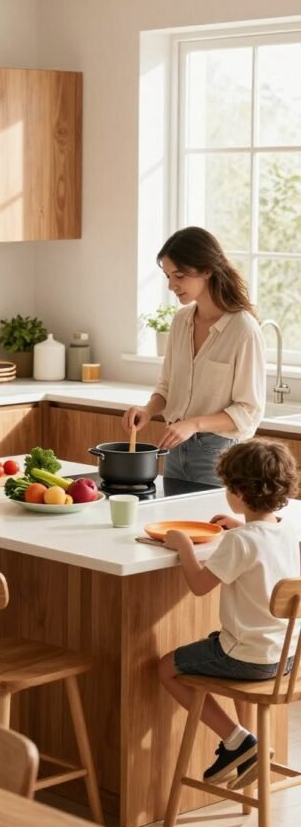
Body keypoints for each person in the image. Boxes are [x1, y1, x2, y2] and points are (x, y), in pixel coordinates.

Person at [159, 438, 300, 789]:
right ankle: (245, 748)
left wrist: (184, 546)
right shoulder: (286, 531)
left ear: (237, 492)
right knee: (219, 644)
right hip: (285, 660)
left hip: (247, 659)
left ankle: (238, 740)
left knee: (165, 668)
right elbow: (259, 545)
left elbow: (199, 585)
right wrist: (241, 527)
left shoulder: (240, 543)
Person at [122, 226, 265, 486]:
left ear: (207, 270)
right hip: (176, 449)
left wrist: (193, 425)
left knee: (212, 526)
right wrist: (147, 409)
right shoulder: (181, 321)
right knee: (174, 525)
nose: (171, 285)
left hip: (219, 454)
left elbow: (249, 410)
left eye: (179, 275)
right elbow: (167, 386)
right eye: (167, 276)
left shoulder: (243, 330)